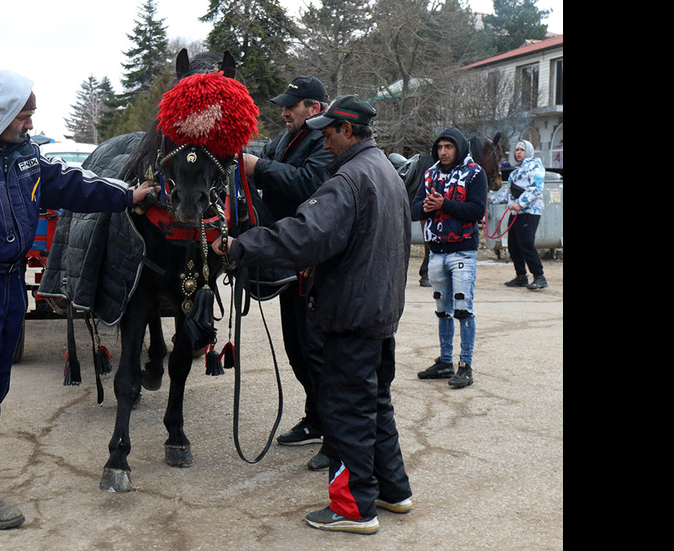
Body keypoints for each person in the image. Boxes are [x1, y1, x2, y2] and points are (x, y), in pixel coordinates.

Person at [0, 69, 156, 530]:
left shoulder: (22, 155)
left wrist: (128, 195)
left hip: (10, 285)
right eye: (24, 116)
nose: (31, 125)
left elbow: (73, 183)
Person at [214, 94, 413, 535]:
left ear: (347, 130)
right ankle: (393, 490)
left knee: (344, 411)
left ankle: (353, 507)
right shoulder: (384, 171)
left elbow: (304, 236)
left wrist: (237, 246)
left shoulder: (349, 179)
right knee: (375, 403)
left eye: (328, 131)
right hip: (379, 311)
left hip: (350, 314)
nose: (322, 140)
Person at [239, 76, 332, 471]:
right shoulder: (284, 139)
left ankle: (334, 434)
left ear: (314, 108)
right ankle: (315, 419)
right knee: (297, 349)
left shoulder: (325, 143)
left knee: (317, 351)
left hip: (314, 259)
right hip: (289, 259)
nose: (284, 112)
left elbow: (309, 183)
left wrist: (257, 166)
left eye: (291, 106)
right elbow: (269, 163)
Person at [411, 128, 488, 389]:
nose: (443, 152)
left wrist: (443, 204)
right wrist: (427, 206)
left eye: (448, 147)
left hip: (462, 252)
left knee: (463, 309)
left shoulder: (475, 173)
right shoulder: (430, 173)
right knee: (442, 310)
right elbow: (413, 209)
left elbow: (477, 210)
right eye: (440, 147)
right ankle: (445, 362)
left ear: (459, 148)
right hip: (436, 253)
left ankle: (465, 366)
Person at [489, 140, 547, 289]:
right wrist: (489, 199)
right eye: (517, 150)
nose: (518, 152)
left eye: (522, 149)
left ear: (528, 151)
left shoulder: (535, 166)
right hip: (516, 213)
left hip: (529, 212)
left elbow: (535, 189)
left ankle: (539, 276)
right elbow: (507, 196)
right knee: (513, 245)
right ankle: (521, 276)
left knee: (526, 243)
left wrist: (521, 203)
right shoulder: (516, 171)